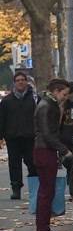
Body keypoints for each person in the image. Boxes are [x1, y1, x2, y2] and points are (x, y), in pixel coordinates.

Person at [33, 78, 72, 231]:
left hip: (44, 149)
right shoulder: (47, 106)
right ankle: (42, 229)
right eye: (64, 94)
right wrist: (64, 150)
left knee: (47, 190)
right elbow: (47, 133)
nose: (65, 97)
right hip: (45, 150)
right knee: (46, 190)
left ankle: (43, 228)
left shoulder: (47, 104)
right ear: (56, 91)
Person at [0, 72, 38, 200]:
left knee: (32, 163)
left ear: (27, 82)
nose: (20, 82)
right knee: (14, 164)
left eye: (23, 80)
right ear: (14, 83)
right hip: (13, 137)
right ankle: (16, 189)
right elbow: (2, 119)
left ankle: (35, 188)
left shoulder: (34, 98)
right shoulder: (7, 101)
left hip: (30, 137)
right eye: (18, 80)